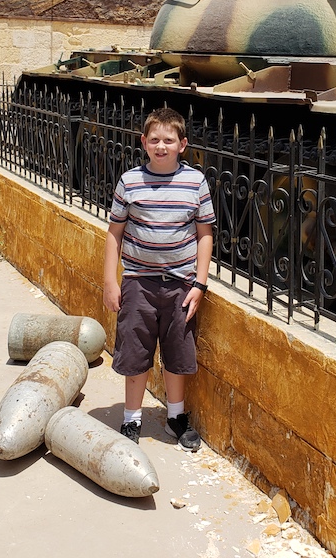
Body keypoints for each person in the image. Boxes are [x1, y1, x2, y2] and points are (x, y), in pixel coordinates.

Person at [103, 107, 215, 452]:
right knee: (135, 350)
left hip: (181, 283)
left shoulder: (195, 182)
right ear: (144, 142)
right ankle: (132, 418)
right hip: (139, 281)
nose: (161, 146)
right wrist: (110, 279)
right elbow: (114, 232)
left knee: (177, 349)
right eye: (155, 140)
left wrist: (199, 283)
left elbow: (204, 234)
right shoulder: (130, 181)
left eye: (169, 140)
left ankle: (175, 417)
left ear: (183, 144)